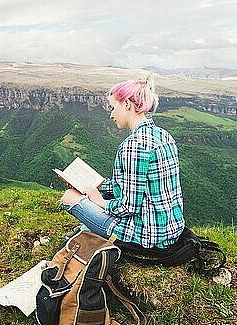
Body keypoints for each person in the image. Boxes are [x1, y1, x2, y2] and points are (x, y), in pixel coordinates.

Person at [60, 76, 185, 248]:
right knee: (90, 203)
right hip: (172, 231)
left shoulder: (133, 145)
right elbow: (134, 186)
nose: (111, 115)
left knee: (69, 197)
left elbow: (129, 207)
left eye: (113, 107)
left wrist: (100, 202)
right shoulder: (163, 135)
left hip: (146, 237)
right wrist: (98, 186)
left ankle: (89, 231)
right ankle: (88, 228)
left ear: (127, 104)